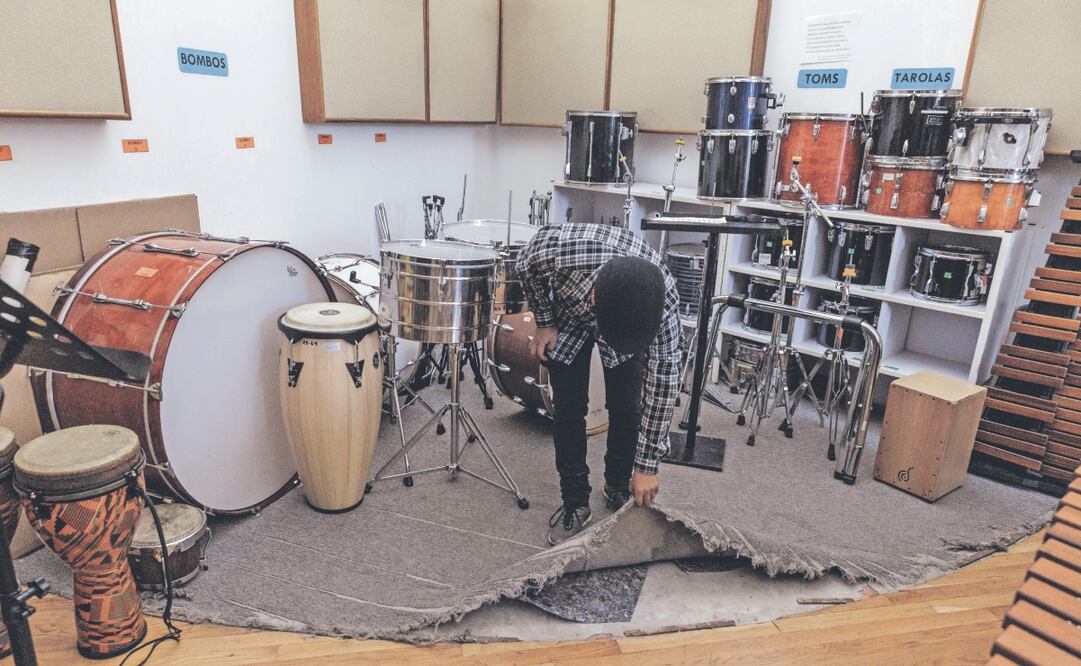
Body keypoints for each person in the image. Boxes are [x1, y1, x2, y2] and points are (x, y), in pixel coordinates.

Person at [516, 223, 682, 545]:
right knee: (567, 409)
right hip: (569, 315)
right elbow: (524, 265)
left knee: (628, 404)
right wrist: (545, 322)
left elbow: (664, 383)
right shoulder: (560, 251)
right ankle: (575, 500)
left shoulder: (664, 304)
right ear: (593, 297)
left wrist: (647, 466)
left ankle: (618, 485)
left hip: (622, 316)